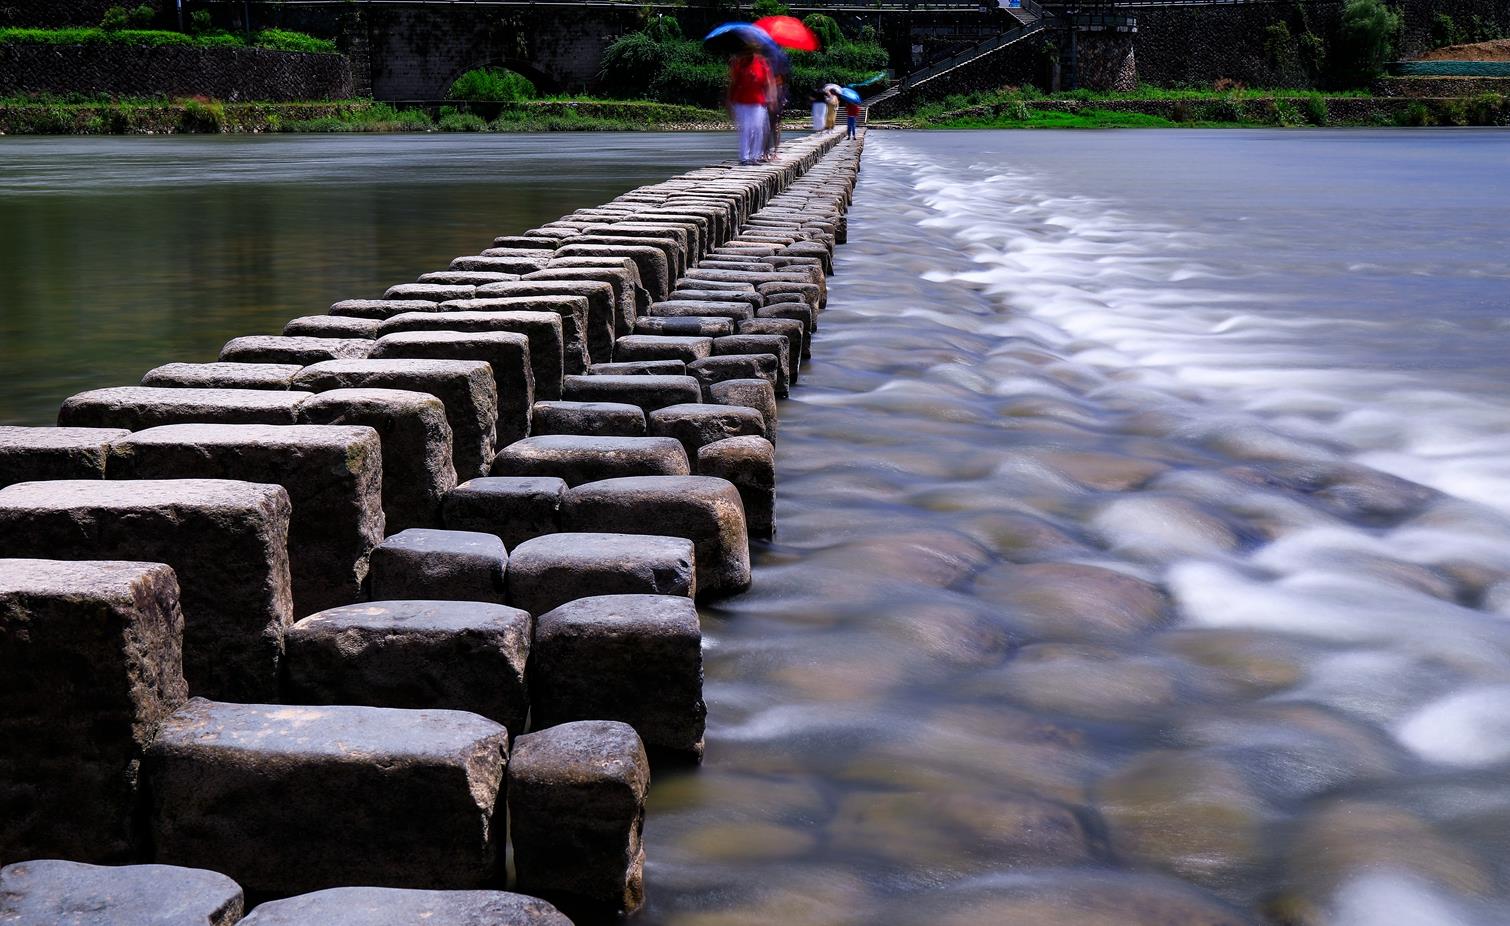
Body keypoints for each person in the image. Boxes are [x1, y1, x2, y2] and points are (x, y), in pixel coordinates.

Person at [727, 50, 772, 166]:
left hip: (758, 100)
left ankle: (755, 156)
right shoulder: (739, 63)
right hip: (742, 101)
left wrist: (769, 97)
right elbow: (733, 82)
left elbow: (767, 81)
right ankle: (744, 157)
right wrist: (730, 100)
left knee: (758, 129)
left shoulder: (761, 62)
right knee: (746, 129)